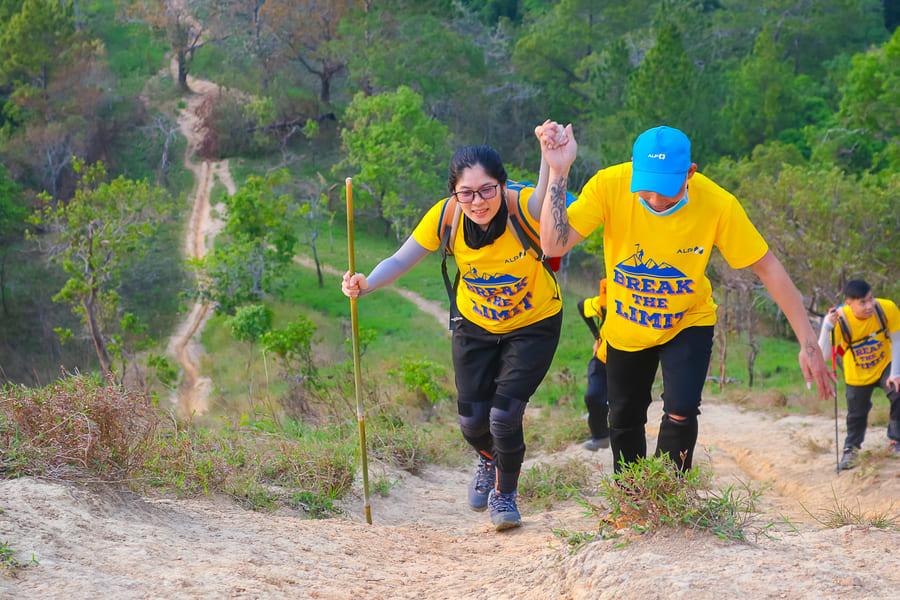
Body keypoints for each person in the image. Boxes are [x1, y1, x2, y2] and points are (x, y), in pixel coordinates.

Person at [535, 122, 834, 473]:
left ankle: (668, 492)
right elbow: (553, 245)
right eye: (646, 190)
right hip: (627, 325)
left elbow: (769, 268)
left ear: (690, 173)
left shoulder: (717, 204)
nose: (656, 200)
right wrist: (558, 171)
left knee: (682, 409)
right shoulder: (609, 185)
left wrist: (809, 343)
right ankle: (631, 495)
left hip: (687, 320)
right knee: (624, 415)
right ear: (633, 170)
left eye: (667, 190)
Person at [342, 139, 563, 531]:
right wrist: (367, 283)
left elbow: (544, 195)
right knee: (473, 424)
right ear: (454, 192)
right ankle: (489, 459)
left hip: (533, 325)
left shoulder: (522, 208)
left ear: (502, 186)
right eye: (466, 193)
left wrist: (551, 160)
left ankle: (505, 495)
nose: (478, 202)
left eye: (487, 190)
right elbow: (401, 259)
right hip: (474, 324)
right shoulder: (446, 217)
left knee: (503, 417)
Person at [818, 279, 900, 470]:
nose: (869, 306)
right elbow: (824, 356)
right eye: (862, 302)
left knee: (898, 393)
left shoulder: (886, 308)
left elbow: (897, 340)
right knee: (857, 414)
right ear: (849, 304)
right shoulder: (840, 320)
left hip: (885, 365)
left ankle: (896, 441)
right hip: (857, 373)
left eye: (870, 299)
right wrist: (827, 327)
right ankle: (851, 450)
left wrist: (895, 373)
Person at [577, 278, 610, 451]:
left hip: (626, 360)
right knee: (593, 396)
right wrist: (597, 336)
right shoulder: (600, 306)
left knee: (621, 404)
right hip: (602, 357)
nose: (605, 308)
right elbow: (581, 305)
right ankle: (601, 436)